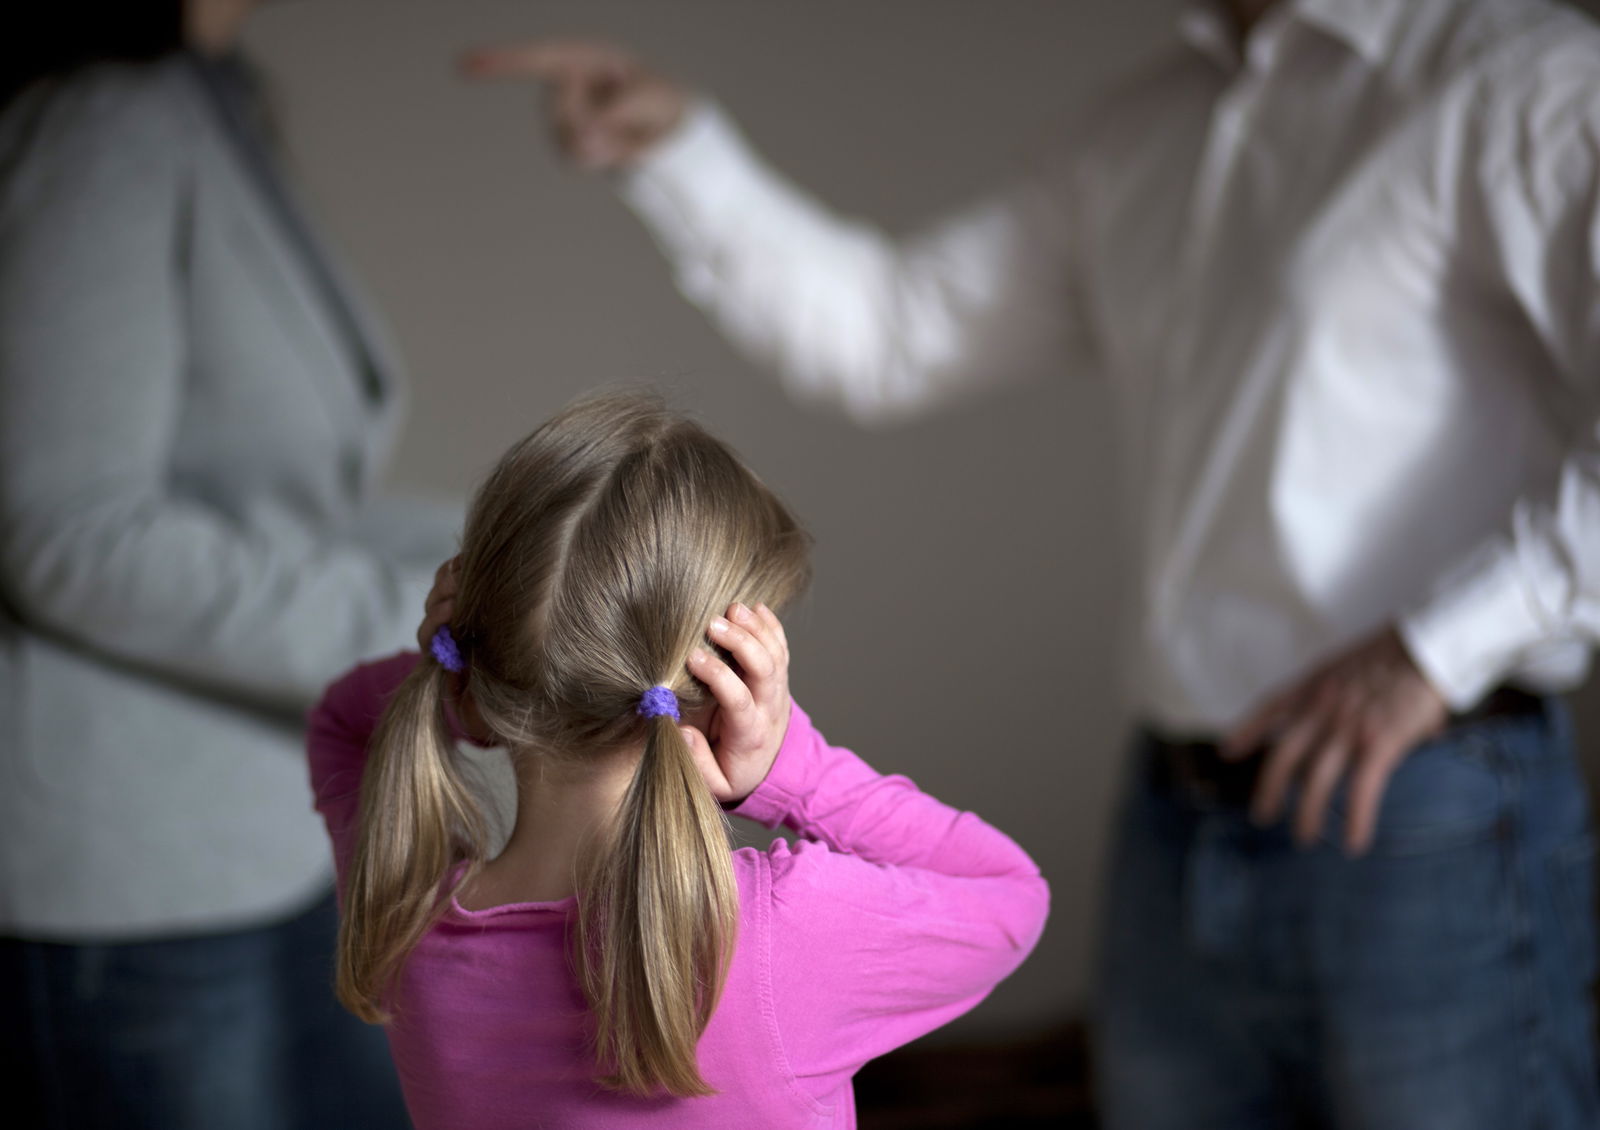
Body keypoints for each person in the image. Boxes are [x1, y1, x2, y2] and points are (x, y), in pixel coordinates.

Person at [463, 1, 1600, 1126]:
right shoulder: (1149, 128)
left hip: (1431, 812)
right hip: (1177, 810)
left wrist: (1430, 649)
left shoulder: (1524, 83)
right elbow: (891, 331)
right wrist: (682, 154)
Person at [307, 391, 1050, 1128]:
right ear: (717, 691)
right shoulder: (778, 939)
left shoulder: (407, 919)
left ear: (487, 650)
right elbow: (1011, 897)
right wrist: (788, 767)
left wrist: (459, 685)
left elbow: (342, 723)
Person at [0, 1, 454, 1125]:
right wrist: (454, 620)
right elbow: (65, 530)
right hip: (133, 877)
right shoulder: (103, 124)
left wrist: (532, 551)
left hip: (266, 833)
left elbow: (269, 499)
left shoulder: (212, 100)